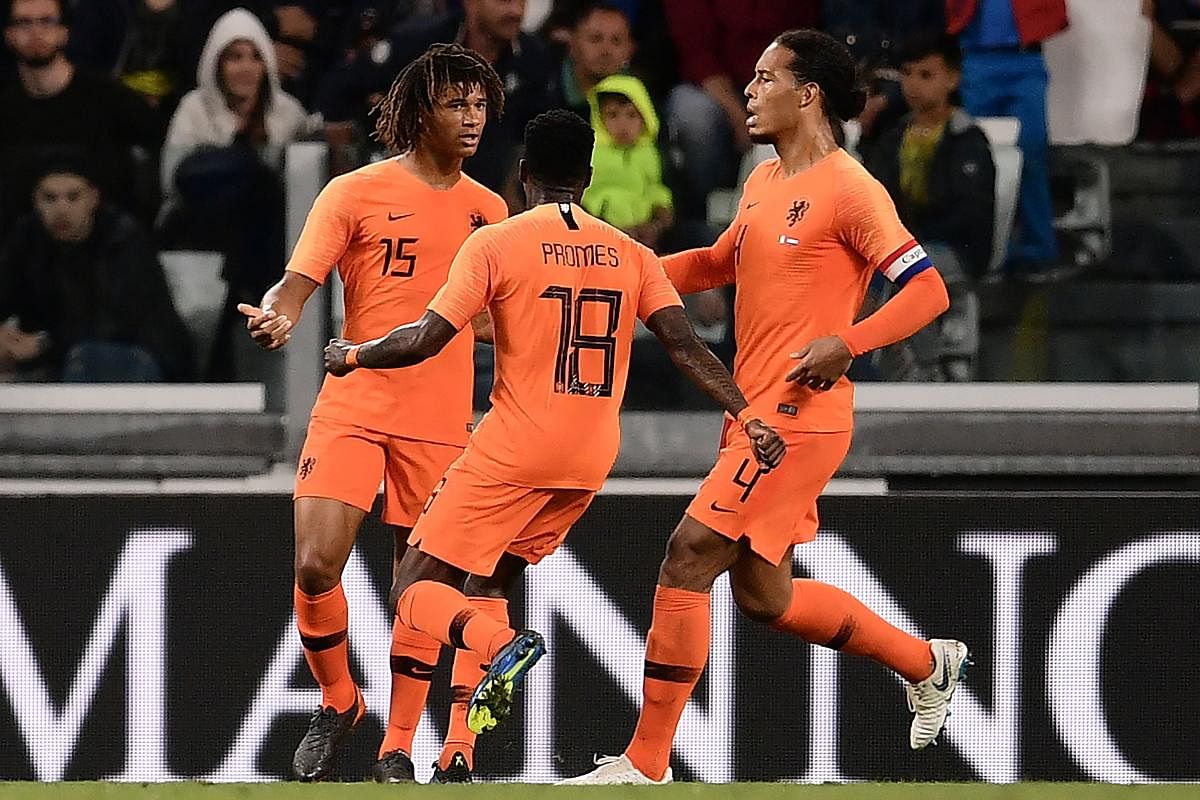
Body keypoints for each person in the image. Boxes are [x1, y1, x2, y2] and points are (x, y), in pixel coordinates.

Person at [561, 30, 966, 785]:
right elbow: (720, 263)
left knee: (688, 554)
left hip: (799, 418)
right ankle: (927, 661)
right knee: (764, 595)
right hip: (753, 415)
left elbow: (928, 289)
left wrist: (850, 342)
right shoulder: (763, 179)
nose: (747, 90)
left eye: (763, 77)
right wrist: (621, 272)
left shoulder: (852, 188)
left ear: (807, 93)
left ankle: (645, 764)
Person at [321, 108, 786, 747]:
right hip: (589, 457)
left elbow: (427, 339)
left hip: (515, 445)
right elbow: (686, 346)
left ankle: (501, 646)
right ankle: (457, 753)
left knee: (413, 588)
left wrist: (354, 354)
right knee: (488, 581)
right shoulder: (631, 253)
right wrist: (748, 412)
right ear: (589, 176)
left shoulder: (496, 242)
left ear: (523, 174)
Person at [237, 43, 510, 784]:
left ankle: (398, 752)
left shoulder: (492, 212)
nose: (472, 118)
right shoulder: (353, 193)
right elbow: (297, 282)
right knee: (316, 561)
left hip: (441, 420)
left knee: (418, 597)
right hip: (355, 403)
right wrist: (277, 315)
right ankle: (338, 699)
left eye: (480, 105)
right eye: (457, 104)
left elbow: (489, 320)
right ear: (421, 111)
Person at [161, 7, 312, 379]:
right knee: (255, 181)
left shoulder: (287, 115)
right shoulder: (193, 110)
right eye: (233, 57)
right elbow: (174, 183)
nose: (244, 67)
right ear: (216, 63)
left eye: (254, 57)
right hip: (200, 229)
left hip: (267, 243)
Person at [865, 34, 994, 380]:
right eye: (908, 74)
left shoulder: (968, 140)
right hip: (901, 247)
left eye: (926, 75)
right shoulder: (894, 136)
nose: (913, 85)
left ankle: (927, 369)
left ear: (952, 79)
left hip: (955, 250)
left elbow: (971, 214)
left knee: (912, 275)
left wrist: (910, 242)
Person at [0, 156, 192, 382]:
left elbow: (114, 323)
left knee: (90, 358)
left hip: (135, 356)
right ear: (36, 201)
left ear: (93, 197)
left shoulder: (123, 239)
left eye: (73, 197)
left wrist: (44, 343)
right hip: (56, 356)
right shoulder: (26, 237)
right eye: (50, 198)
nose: (61, 209)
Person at [0, 0, 162, 236]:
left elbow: (157, 147)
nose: (36, 32)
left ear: (64, 32)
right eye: (24, 23)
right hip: (21, 251)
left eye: (47, 21)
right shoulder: (5, 108)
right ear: (8, 35)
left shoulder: (111, 99)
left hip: (106, 247)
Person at [947, 0, 1068, 273]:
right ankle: (981, 244)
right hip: (975, 57)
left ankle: (1039, 245)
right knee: (973, 156)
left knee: (1032, 150)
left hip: (1024, 58)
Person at [581, 73, 673, 249]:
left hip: (643, 235)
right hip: (598, 235)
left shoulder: (650, 153)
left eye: (631, 115)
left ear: (645, 117)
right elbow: (583, 198)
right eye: (612, 115)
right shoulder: (590, 153)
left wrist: (656, 225)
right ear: (599, 118)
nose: (623, 124)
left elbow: (655, 189)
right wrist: (606, 227)